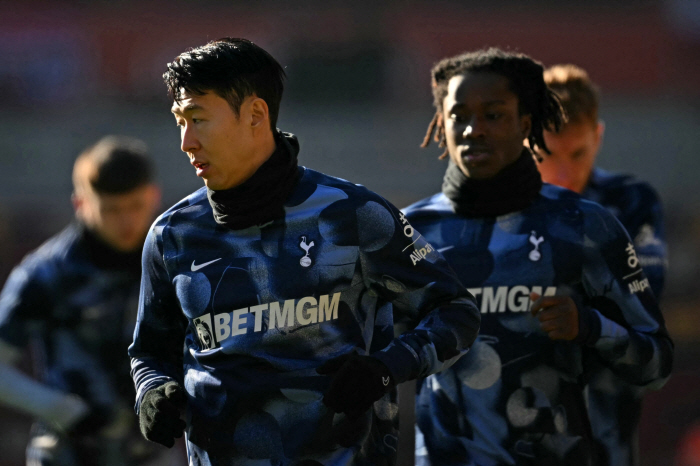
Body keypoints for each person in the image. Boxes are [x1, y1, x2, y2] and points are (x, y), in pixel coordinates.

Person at [128, 37, 480, 466]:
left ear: (256, 114)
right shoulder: (172, 234)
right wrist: (153, 391)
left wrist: (385, 368)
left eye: (198, 119)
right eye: (179, 120)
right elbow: (148, 351)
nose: (186, 141)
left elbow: (456, 311)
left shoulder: (353, 214)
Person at [403, 48, 673, 466]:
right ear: (441, 124)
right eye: (459, 116)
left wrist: (589, 326)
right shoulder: (406, 232)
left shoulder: (585, 224)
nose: (474, 129)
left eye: (493, 115)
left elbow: (656, 363)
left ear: (526, 125)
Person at [0, 136, 165, 465]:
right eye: (111, 210)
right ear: (81, 203)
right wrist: (60, 409)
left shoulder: (167, 263)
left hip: (149, 456)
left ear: (152, 196)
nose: (127, 222)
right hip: (67, 455)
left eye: (135, 206)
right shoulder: (47, 273)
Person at [534, 64, 668, 466]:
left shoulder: (631, 202)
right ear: (527, 142)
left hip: (604, 423)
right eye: (548, 154)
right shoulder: (498, 208)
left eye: (577, 154)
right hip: (516, 422)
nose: (563, 173)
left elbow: (641, 309)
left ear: (598, 137)